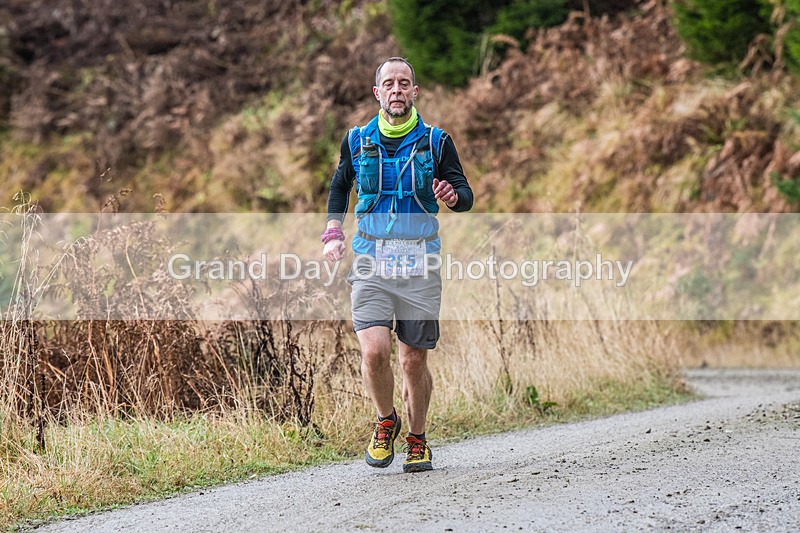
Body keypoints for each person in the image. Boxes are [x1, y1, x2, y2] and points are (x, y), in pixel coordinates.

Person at [322, 57, 473, 473]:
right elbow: (340, 185)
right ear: (377, 93)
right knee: (374, 352)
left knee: (413, 361)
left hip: (419, 262)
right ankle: (386, 420)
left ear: (415, 91)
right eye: (388, 84)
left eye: (404, 83)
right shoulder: (357, 140)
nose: (396, 90)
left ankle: (418, 438)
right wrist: (333, 230)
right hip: (370, 258)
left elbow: (465, 193)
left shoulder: (436, 142)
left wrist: (453, 195)